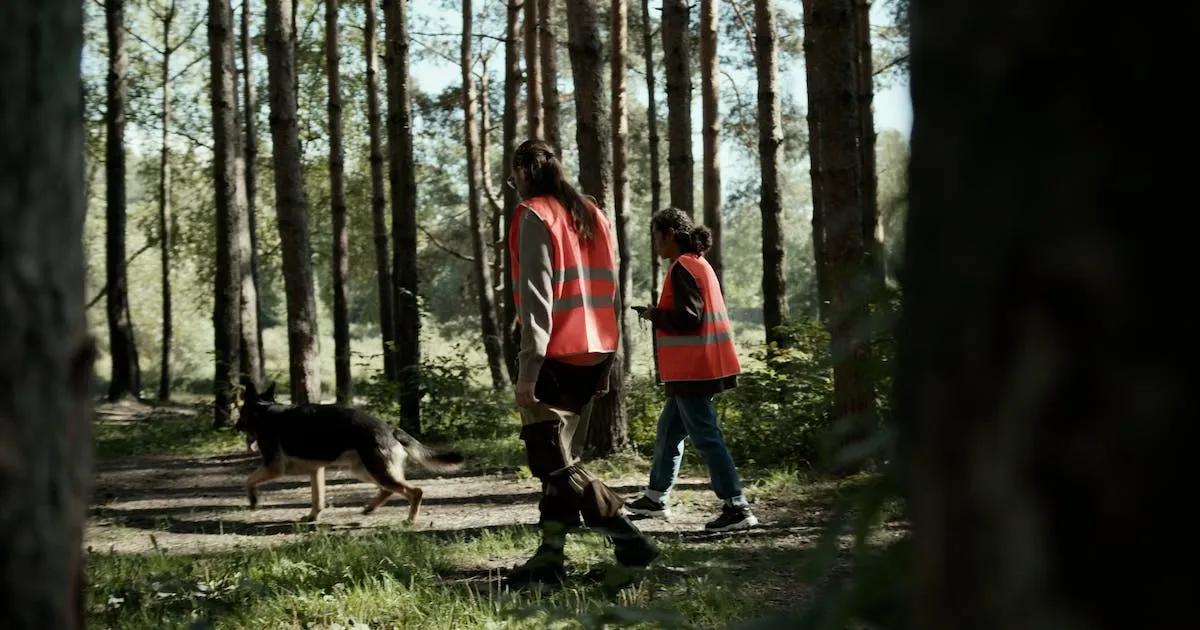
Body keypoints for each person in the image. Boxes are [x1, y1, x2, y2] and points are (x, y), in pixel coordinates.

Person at [504, 139, 659, 586]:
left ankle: (628, 536)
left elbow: (537, 299)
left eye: (514, 175)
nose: (514, 183)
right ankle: (549, 559)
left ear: (523, 170)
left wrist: (527, 371)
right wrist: (608, 359)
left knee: (553, 461)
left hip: (555, 354)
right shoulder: (592, 212)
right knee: (559, 460)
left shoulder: (534, 213)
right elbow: (609, 289)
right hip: (595, 351)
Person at [625, 208, 758, 531]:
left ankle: (736, 507)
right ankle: (655, 499)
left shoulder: (682, 266)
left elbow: (688, 317)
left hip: (694, 369)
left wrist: (656, 315)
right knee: (669, 432)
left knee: (707, 436)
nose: (656, 245)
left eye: (657, 237)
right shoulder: (698, 264)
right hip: (700, 366)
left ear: (670, 234)